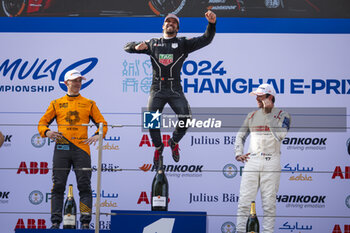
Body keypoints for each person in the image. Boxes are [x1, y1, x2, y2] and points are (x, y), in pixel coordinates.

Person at [124, 10, 216, 167]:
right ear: (163, 25)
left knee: (186, 118)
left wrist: (211, 24)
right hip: (157, 88)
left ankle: (173, 142)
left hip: (175, 89)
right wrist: (135, 46)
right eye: (168, 21)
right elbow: (126, 47)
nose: (170, 23)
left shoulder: (183, 43)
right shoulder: (153, 43)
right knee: (151, 121)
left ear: (177, 28)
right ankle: (158, 148)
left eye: (174, 22)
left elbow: (206, 39)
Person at [38, 69, 108, 229]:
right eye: (74, 81)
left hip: (81, 150)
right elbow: (42, 123)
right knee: (58, 186)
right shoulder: (55, 103)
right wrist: (47, 132)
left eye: (79, 81)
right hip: (61, 148)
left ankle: (85, 222)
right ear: (66, 83)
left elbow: (102, 123)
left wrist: (99, 134)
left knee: (84, 186)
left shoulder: (90, 103)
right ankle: (55, 222)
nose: (77, 84)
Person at [234, 83, 291, 233]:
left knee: (269, 204)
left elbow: (280, 135)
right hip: (252, 161)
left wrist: (269, 114)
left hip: (271, 162)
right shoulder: (251, 115)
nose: (257, 99)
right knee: (244, 202)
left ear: (270, 97)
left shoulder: (283, 115)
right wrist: (238, 152)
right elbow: (240, 135)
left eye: (261, 97)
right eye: (257, 97)